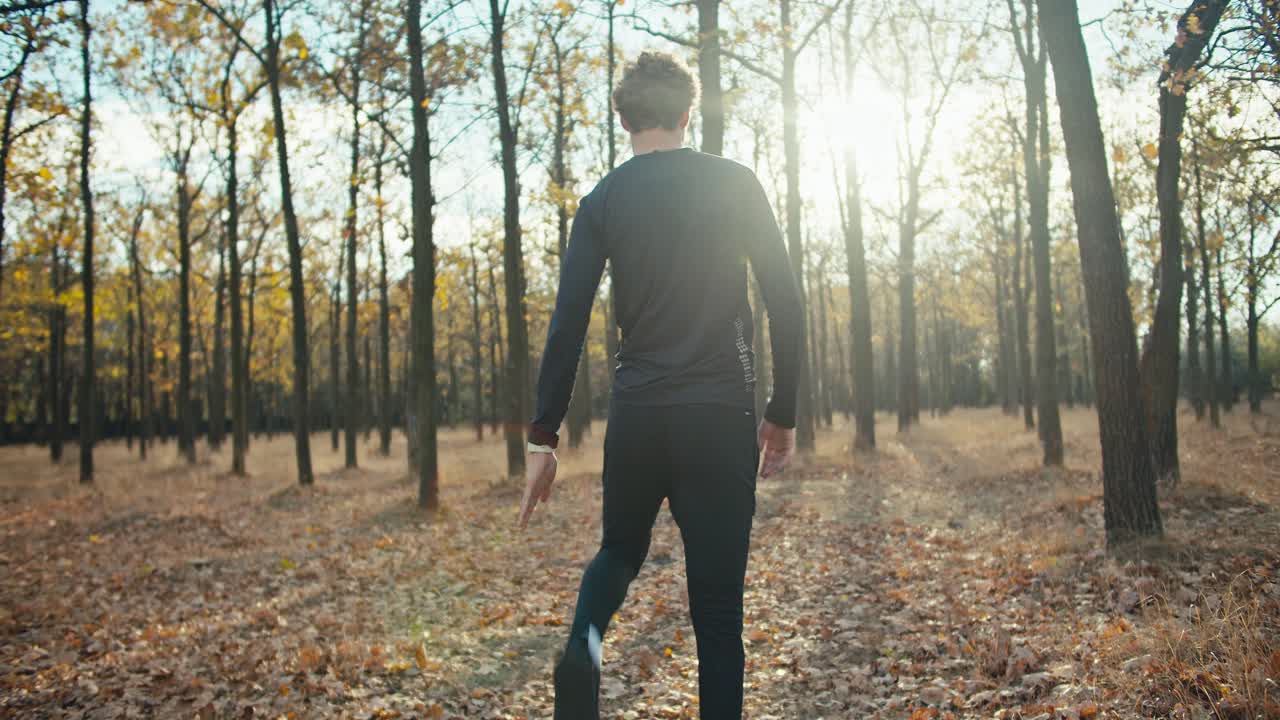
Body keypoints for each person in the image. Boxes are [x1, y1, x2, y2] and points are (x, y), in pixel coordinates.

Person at [517, 50, 803, 720]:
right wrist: (782, 411)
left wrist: (543, 435)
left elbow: (567, 321)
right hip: (718, 413)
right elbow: (786, 301)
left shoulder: (604, 199)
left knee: (619, 550)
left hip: (640, 412)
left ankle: (584, 644)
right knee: (717, 608)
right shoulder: (735, 183)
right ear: (685, 112)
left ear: (624, 119)